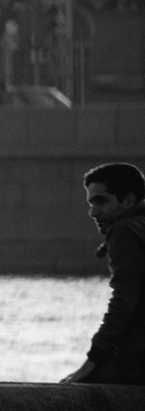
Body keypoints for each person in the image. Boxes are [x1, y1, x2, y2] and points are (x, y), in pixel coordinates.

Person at [67, 161, 145, 386]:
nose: (92, 212)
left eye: (101, 201)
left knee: (72, 394)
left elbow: (125, 301)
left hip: (136, 360)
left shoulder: (125, 231)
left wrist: (94, 358)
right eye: (91, 203)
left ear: (128, 201)